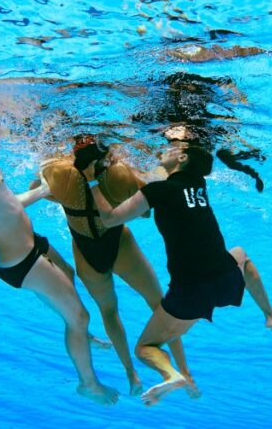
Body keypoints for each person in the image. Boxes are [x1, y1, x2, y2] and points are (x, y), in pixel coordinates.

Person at [83, 136, 272, 406]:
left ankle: (171, 375)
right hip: (224, 278)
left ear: (182, 158)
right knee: (241, 255)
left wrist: (92, 181)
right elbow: (176, 181)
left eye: (170, 149)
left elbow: (109, 219)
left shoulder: (159, 191)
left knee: (145, 348)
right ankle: (271, 317)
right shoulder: (199, 187)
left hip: (189, 294)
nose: (163, 151)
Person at [0, 117, 119, 405]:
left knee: (68, 273)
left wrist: (42, 191)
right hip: (20, 260)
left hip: (30, 244)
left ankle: (81, 334)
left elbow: (8, 203)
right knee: (79, 317)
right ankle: (88, 384)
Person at [36, 133, 200, 398]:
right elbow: (145, 212)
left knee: (109, 312)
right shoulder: (119, 174)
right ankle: (183, 371)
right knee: (159, 302)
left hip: (86, 252)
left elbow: (41, 190)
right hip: (119, 243)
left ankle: (130, 374)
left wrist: (68, 202)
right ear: (105, 155)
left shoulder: (60, 173)